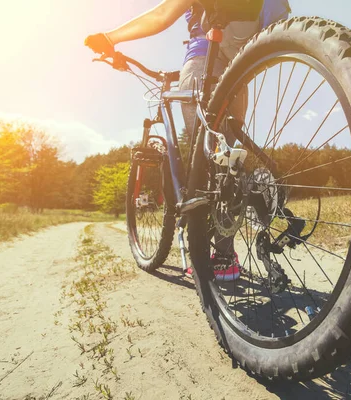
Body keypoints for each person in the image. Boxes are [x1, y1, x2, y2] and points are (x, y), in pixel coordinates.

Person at [85, 0, 290, 281]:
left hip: (202, 62)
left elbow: (161, 15)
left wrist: (109, 38)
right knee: (226, 159)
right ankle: (226, 256)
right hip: (240, 69)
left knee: (205, 161)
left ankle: (209, 255)